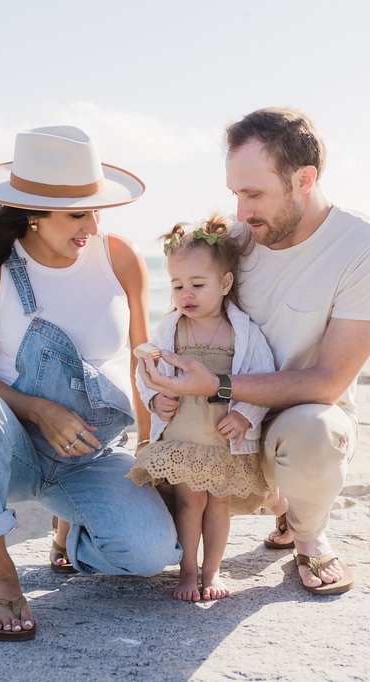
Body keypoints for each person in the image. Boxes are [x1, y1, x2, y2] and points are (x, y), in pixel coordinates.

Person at [0, 125, 181, 641]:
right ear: (33, 214)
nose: (90, 225)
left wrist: (150, 448)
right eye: (75, 214)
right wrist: (40, 410)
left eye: (94, 210)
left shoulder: (121, 259)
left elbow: (141, 362)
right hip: (14, 449)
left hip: (90, 453)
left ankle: (72, 533)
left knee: (152, 555)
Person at [138, 107, 370, 596]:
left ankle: (307, 534)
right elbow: (183, 318)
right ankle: (276, 506)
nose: (241, 213)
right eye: (236, 194)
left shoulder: (368, 250)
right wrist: (161, 391)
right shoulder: (236, 241)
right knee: (143, 524)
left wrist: (215, 384)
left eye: (254, 194)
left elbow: (327, 382)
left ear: (305, 179)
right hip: (213, 423)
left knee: (314, 432)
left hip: (295, 415)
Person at [127, 217, 275, 602]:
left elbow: (264, 379)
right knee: (189, 501)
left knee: (218, 503)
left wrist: (246, 415)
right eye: (177, 285)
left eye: (197, 284)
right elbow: (148, 374)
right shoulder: (170, 329)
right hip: (183, 435)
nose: (186, 294)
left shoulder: (242, 331)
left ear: (225, 284)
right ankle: (188, 570)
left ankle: (213, 571)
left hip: (223, 437)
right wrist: (155, 400)